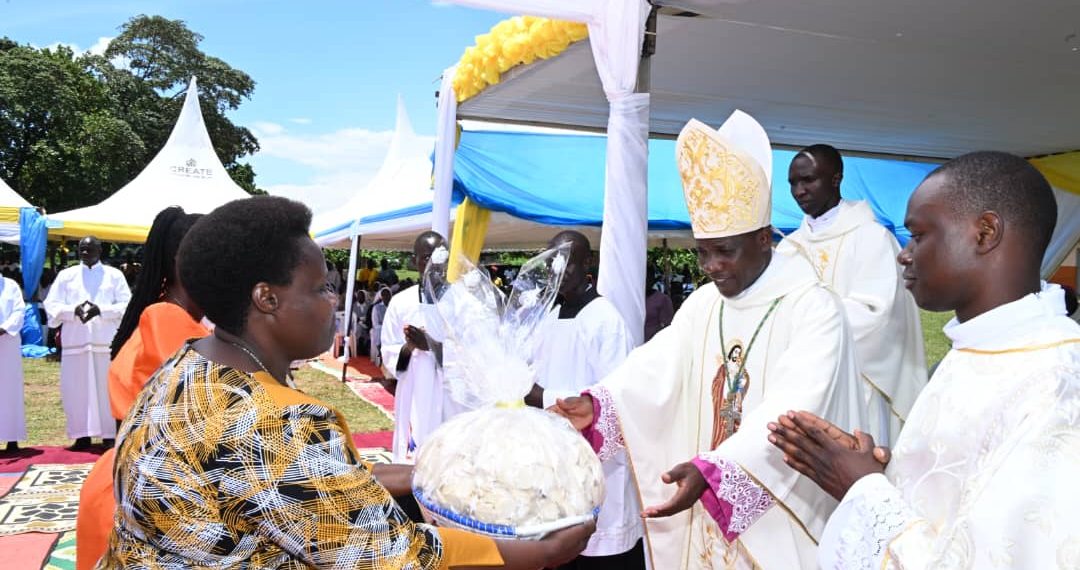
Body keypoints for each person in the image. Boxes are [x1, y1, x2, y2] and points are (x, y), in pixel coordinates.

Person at [97, 196, 594, 569]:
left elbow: (285, 487)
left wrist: (431, 472)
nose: (334, 301)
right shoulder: (276, 423)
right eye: (320, 288)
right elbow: (390, 556)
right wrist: (538, 554)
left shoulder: (185, 367)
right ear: (267, 299)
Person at [552, 113, 865, 569]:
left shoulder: (813, 307)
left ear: (763, 239)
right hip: (706, 504)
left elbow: (799, 403)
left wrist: (719, 470)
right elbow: (655, 366)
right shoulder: (704, 304)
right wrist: (601, 405)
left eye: (725, 251)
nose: (711, 266)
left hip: (781, 516)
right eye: (702, 251)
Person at [768, 151, 1080, 568]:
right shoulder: (980, 347)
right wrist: (878, 471)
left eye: (918, 235)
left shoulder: (1057, 383)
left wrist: (862, 489)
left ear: (985, 233)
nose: (904, 253)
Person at [75, 207, 207, 570]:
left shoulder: (165, 314)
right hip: (146, 503)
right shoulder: (168, 320)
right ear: (187, 263)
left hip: (136, 490)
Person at [778, 144, 927, 445]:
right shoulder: (788, 248)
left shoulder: (872, 238)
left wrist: (811, 324)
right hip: (803, 382)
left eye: (808, 180)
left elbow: (879, 315)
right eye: (793, 183)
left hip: (859, 382)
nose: (799, 190)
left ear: (836, 179)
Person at [527, 231, 644, 570]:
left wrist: (541, 396)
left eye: (567, 261)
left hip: (598, 458)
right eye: (553, 262)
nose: (558, 269)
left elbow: (615, 397)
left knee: (597, 548)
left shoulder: (605, 319)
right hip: (553, 453)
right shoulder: (548, 314)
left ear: (588, 262)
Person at [44, 235, 131, 450]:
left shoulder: (114, 275)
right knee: (76, 389)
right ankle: (81, 435)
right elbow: (51, 304)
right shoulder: (67, 275)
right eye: (82, 249)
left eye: (89, 249)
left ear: (100, 250)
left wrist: (101, 309)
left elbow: (126, 305)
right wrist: (72, 310)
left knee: (105, 388)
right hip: (76, 342)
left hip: (104, 342)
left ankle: (109, 435)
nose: (85, 252)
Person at [381, 231, 450, 463]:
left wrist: (431, 345)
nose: (433, 264)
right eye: (426, 258)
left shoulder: (462, 302)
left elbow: (471, 357)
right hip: (414, 388)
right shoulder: (402, 302)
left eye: (439, 257)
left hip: (450, 393)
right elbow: (389, 352)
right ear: (414, 261)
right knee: (414, 456)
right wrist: (410, 348)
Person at [0, 275, 25, 453]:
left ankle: (12, 438)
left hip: (7, 341)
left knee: (10, 390)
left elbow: (19, 311)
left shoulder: (11, 286)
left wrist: (4, 328)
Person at [643, 270, 674, 342]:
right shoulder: (634, 299)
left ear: (653, 280)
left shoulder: (662, 299)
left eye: (648, 278)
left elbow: (668, 326)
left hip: (653, 344)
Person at [369, 286, 391, 366]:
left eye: (388, 295)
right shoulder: (376, 307)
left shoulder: (393, 307)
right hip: (380, 328)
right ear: (381, 296)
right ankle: (380, 353)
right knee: (379, 332)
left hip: (390, 328)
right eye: (384, 295)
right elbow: (375, 323)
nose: (386, 297)